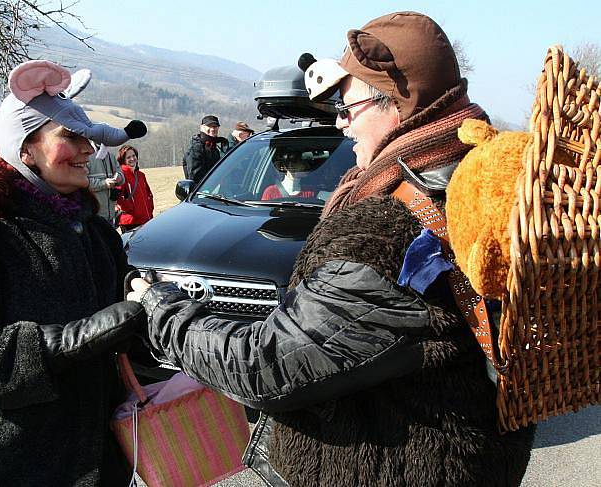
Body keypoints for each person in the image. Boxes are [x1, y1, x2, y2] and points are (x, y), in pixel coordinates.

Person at [129, 12, 535, 487]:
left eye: (348, 107)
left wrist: (161, 310)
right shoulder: (472, 182)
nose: (342, 125)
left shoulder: (387, 232)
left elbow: (267, 365)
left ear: (398, 106)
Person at [0, 60, 148, 487]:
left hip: (96, 457)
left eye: (87, 138)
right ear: (25, 150)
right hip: (12, 465)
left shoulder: (91, 229)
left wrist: (152, 304)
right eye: (70, 138)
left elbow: (120, 323)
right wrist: (62, 343)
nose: (88, 150)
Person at [114, 145, 154, 232]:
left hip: (146, 219)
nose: (132, 159)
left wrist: (150, 209)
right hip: (130, 222)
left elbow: (149, 194)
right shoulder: (121, 175)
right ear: (123, 160)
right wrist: (130, 209)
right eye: (128, 157)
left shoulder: (141, 175)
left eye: (134, 156)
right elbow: (117, 197)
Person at [182, 115, 227, 184]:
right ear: (201, 127)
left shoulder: (214, 146)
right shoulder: (196, 148)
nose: (212, 129)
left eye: (215, 126)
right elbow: (195, 177)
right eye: (209, 126)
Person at [87, 143, 124, 224]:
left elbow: (121, 176)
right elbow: (83, 183)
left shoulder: (111, 156)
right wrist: (105, 183)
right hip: (94, 217)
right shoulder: (86, 157)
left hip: (111, 215)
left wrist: (119, 178)